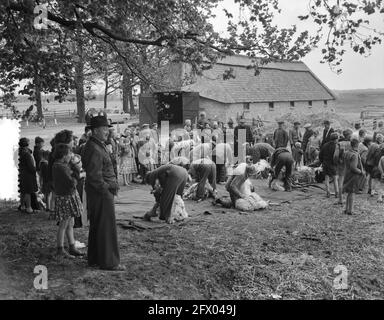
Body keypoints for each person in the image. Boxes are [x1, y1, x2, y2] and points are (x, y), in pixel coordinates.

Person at [82, 115, 125, 271]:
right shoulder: (93, 147)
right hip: (100, 194)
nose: (107, 131)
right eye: (104, 129)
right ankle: (109, 262)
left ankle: (94, 258)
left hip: (100, 193)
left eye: (108, 128)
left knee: (98, 226)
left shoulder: (97, 144)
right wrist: (106, 190)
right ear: (95, 131)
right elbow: (94, 176)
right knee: (106, 228)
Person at [52, 143, 85, 259]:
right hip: (66, 197)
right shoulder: (60, 167)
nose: (71, 155)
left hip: (67, 196)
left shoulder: (60, 165)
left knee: (70, 223)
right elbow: (72, 182)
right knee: (64, 224)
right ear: (64, 155)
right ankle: (60, 249)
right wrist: (77, 170)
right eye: (69, 153)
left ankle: (72, 246)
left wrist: (73, 167)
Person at [342, 138, 365, 215]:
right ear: (357, 145)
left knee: (349, 193)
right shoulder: (354, 155)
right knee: (352, 193)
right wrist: (361, 172)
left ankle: (346, 209)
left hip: (347, 174)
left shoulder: (346, 152)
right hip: (353, 176)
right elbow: (353, 168)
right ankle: (350, 210)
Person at [18, 138, 38, 214]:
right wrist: (34, 170)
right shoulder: (26, 154)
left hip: (21, 172)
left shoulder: (18, 152)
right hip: (27, 174)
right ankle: (29, 208)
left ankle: (22, 206)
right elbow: (30, 166)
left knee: (23, 191)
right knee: (27, 191)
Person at [334, 129, 353, 204]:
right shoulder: (352, 143)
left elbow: (335, 156)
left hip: (341, 164)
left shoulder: (339, 144)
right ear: (349, 135)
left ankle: (340, 199)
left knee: (341, 181)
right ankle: (349, 199)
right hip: (351, 164)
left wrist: (337, 162)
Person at [319, 132, 339, 198]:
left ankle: (328, 192)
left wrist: (322, 162)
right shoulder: (336, 146)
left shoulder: (325, 145)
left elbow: (320, 155)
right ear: (335, 139)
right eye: (337, 139)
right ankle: (337, 193)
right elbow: (336, 157)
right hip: (332, 164)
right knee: (335, 178)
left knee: (326, 178)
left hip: (325, 164)